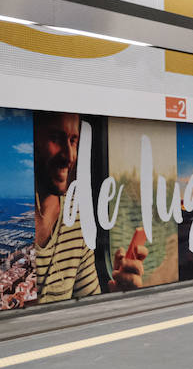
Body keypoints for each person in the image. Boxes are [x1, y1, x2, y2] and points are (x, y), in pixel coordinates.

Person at [33, 111, 144, 303]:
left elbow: (88, 305)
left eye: (73, 140)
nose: (69, 156)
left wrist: (120, 293)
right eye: (55, 138)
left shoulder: (76, 214)